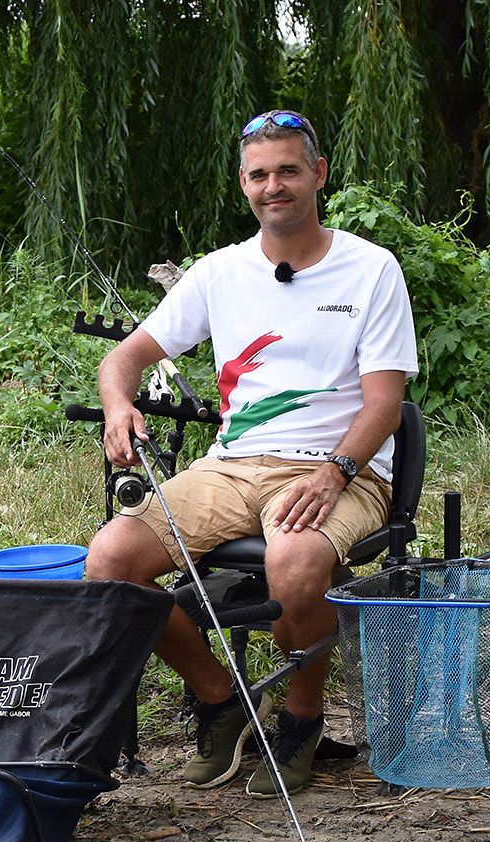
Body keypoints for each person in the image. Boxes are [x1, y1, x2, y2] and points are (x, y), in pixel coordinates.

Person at [84, 110, 418, 796]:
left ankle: (300, 719)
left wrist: (335, 472)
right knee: (110, 561)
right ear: (244, 184)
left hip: (339, 466)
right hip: (234, 464)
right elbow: (124, 358)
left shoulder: (372, 270)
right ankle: (223, 701)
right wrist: (120, 404)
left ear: (318, 175)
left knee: (293, 562)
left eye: (289, 170)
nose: (275, 186)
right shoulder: (219, 273)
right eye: (260, 174)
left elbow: (386, 405)